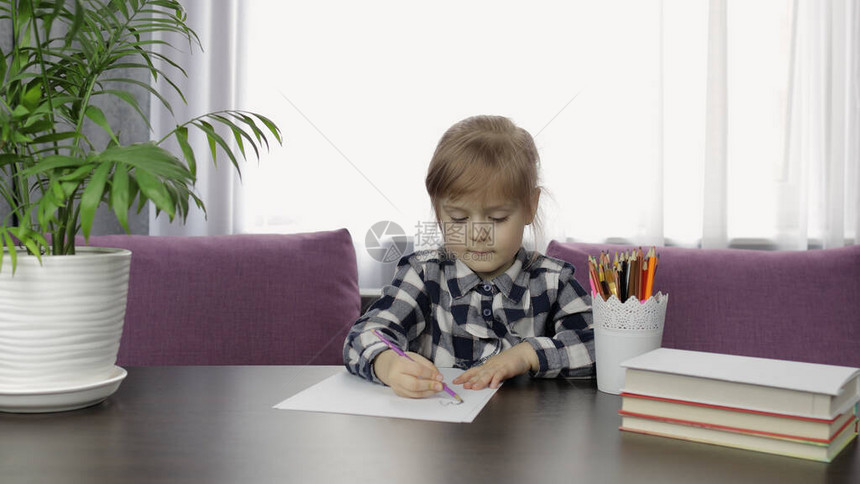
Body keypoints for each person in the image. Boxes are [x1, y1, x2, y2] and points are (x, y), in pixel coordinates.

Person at [343, 115, 594, 398]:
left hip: (530, 433)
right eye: (459, 218)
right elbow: (363, 336)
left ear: (529, 207)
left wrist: (528, 354)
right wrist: (388, 364)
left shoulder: (553, 282)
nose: (477, 234)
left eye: (497, 218)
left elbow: (599, 347)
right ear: (439, 213)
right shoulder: (424, 274)